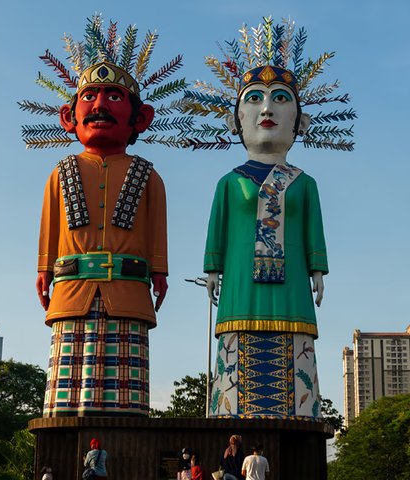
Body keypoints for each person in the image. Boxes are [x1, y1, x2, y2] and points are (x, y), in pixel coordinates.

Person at [184, 18, 354, 419]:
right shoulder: (230, 182)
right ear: (235, 120)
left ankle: (299, 413)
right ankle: (230, 412)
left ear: (300, 121)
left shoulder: (304, 183)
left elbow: (314, 228)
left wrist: (318, 269)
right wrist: (212, 269)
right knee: (236, 343)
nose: (266, 108)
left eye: (280, 98)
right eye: (254, 98)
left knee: (296, 340)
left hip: (293, 282)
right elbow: (217, 227)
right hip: (240, 280)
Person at [23, 16, 187, 417]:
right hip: (71, 288)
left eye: (114, 97)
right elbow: (50, 228)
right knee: (67, 388)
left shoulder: (148, 175)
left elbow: (156, 230)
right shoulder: (60, 173)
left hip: (128, 290)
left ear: (140, 118)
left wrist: (160, 271)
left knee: (125, 396)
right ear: (68, 116)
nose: (98, 106)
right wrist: (44, 269)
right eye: (90, 96)